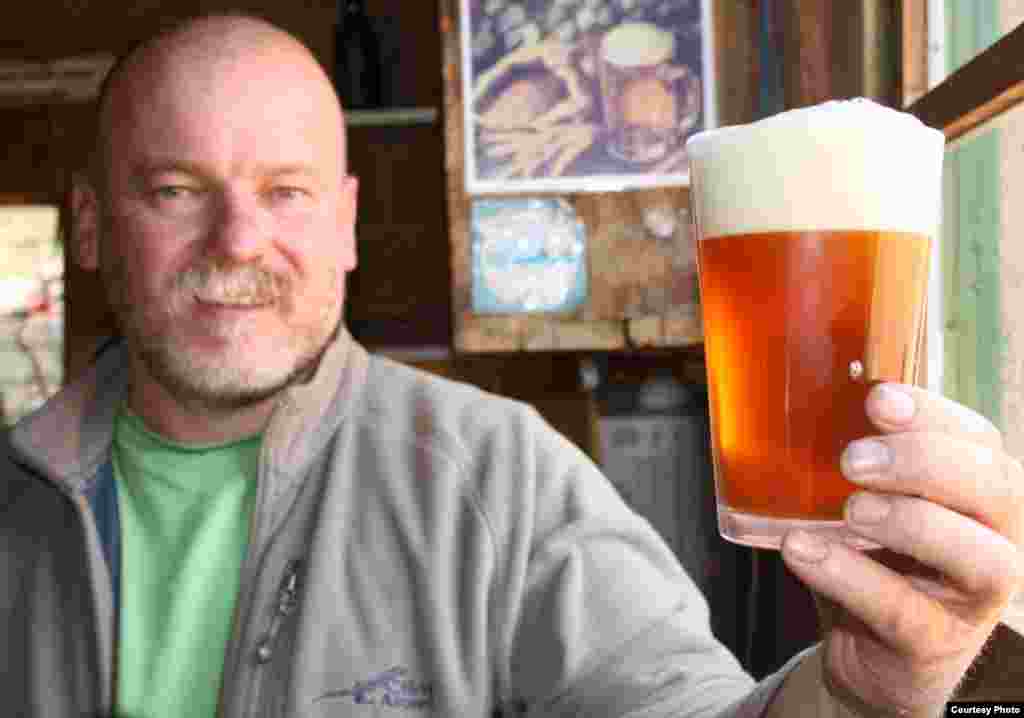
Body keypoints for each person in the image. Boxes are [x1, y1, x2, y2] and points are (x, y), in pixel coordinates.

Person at [1, 12, 1020, 718]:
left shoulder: (496, 474)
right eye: (177, 190)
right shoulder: (15, 495)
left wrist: (860, 695)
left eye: (288, 192)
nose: (236, 240)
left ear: (349, 225)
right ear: (89, 227)